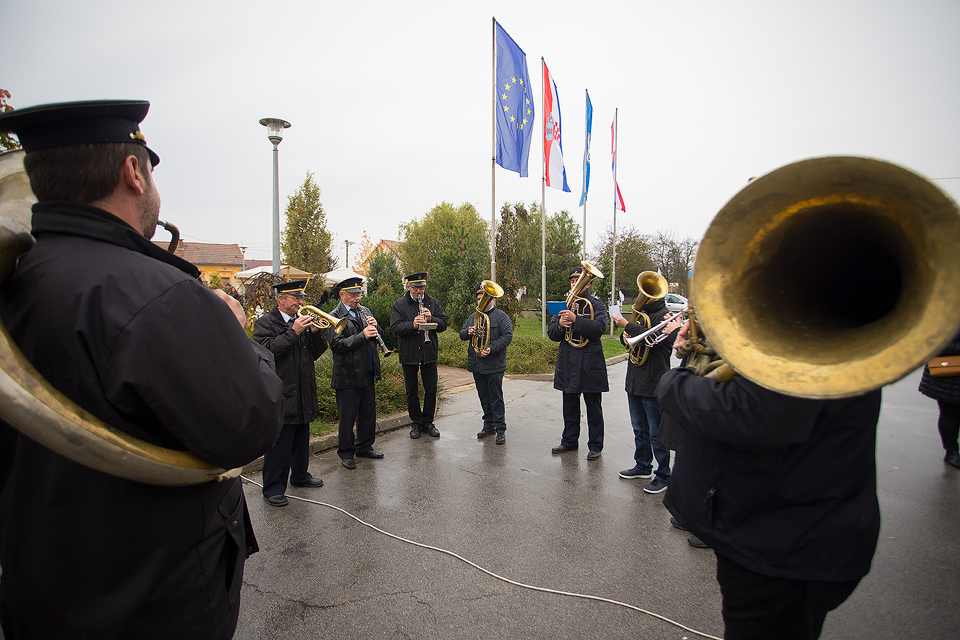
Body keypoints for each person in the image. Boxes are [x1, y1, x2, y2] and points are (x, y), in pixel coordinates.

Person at [0, 100, 284, 640]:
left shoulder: (21, 276)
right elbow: (250, 423)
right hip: (150, 596)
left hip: (41, 590)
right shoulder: (160, 294)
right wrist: (241, 338)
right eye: (151, 172)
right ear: (134, 173)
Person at [657, 321, 882, 640]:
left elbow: (755, 412)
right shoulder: (808, 323)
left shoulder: (801, 321)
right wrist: (702, 349)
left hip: (780, 544)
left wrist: (674, 382)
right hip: (774, 528)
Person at [253, 280, 328, 506]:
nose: (300, 302)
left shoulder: (302, 322)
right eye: (295, 298)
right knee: (280, 445)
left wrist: (314, 333)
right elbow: (266, 353)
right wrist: (293, 332)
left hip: (303, 389)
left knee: (301, 439)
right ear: (281, 299)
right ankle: (273, 488)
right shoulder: (265, 323)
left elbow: (316, 353)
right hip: (283, 392)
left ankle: (300, 475)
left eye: (301, 298)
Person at [611, 298, 682, 493]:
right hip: (635, 379)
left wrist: (628, 326)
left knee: (656, 432)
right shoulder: (640, 314)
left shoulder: (665, 315)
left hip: (653, 380)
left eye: (648, 292)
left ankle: (664, 474)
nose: (644, 296)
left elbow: (658, 342)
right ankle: (642, 465)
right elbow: (632, 338)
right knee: (639, 428)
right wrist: (625, 336)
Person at [548, 266, 609, 460]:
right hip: (568, 361)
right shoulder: (563, 305)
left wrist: (575, 320)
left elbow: (600, 329)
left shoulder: (597, 305)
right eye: (573, 281)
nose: (575, 284)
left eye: (579, 280)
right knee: (569, 406)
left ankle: (596, 445)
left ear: (588, 283)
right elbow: (552, 334)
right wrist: (559, 324)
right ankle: (569, 441)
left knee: (594, 408)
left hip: (589, 362)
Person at [329, 276, 385, 469]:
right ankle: (346, 452)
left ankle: (365, 446)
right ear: (342, 295)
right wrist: (362, 336)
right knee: (348, 416)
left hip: (367, 370)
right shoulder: (335, 315)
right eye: (352, 295)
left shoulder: (364, 311)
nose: (357, 298)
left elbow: (378, 337)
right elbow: (336, 345)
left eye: (359, 294)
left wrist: (376, 328)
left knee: (368, 412)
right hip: (347, 374)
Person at [390, 271, 448, 439]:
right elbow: (394, 327)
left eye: (422, 288)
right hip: (409, 354)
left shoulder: (432, 303)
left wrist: (432, 319)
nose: (419, 292)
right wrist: (412, 325)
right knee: (412, 391)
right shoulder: (400, 304)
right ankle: (416, 422)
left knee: (431, 389)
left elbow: (444, 324)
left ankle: (428, 422)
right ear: (409, 287)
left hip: (429, 353)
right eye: (415, 288)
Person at [459, 281, 514, 444]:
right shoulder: (473, 317)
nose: (480, 301)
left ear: (492, 299)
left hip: (494, 364)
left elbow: (507, 336)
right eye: (478, 298)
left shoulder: (501, 316)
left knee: (496, 397)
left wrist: (491, 348)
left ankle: (500, 428)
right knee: (483, 396)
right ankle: (488, 424)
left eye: (484, 298)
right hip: (477, 364)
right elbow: (461, 334)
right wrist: (468, 332)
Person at [918, 326, 960, 469]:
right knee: (950, 415)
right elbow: (934, 342)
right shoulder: (946, 314)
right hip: (950, 373)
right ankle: (951, 452)